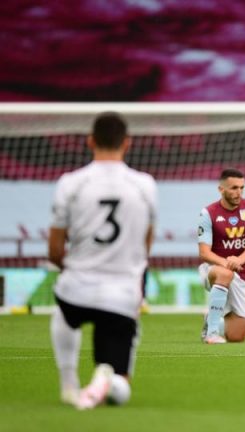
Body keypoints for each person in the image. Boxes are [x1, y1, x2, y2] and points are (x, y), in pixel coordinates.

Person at [48, 112, 157, 409]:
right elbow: (145, 244)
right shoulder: (145, 185)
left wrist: (76, 266)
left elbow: (55, 250)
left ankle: (69, 382)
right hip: (122, 296)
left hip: (76, 288)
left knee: (63, 313)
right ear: (128, 143)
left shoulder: (70, 183)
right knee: (121, 386)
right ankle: (107, 375)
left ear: (90, 141)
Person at [198, 168, 245, 344]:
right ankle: (211, 333)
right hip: (213, 269)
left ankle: (211, 319)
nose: (239, 192)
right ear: (221, 189)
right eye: (234, 188)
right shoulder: (208, 213)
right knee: (224, 273)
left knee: (236, 337)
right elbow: (204, 253)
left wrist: (239, 261)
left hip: (241, 272)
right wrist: (227, 262)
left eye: (242, 188)